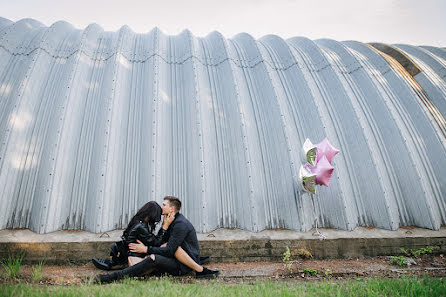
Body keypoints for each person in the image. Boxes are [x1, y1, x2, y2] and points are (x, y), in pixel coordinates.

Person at [96, 196, 219, 283]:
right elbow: (162, 243)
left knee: (153, 258)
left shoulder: (180, 224)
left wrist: (146, 249)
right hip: (176, 258)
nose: (161, 207)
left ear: (171, 209)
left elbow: (170, 249)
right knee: (157, 254)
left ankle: (111, 277)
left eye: (164, 205)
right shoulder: (172, 221)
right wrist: (164, 227)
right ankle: (119, 266)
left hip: (183, 265)